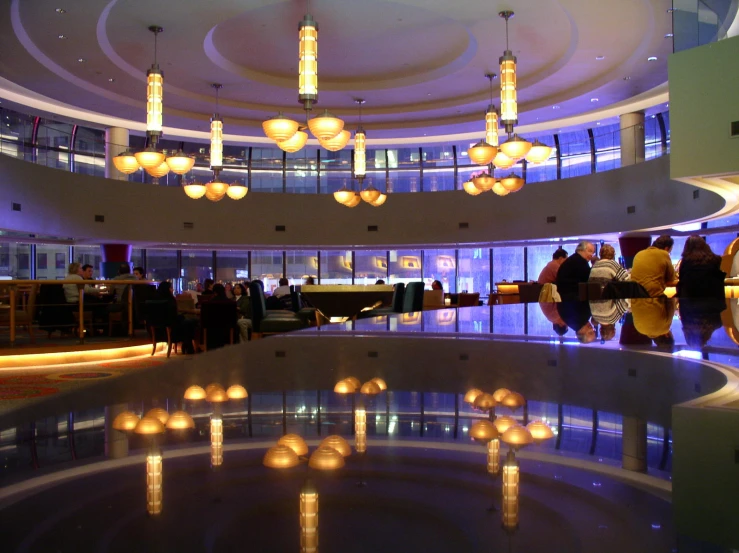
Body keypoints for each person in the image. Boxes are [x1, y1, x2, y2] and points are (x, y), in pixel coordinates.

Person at [155, 281, 197, 354]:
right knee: (192, 322)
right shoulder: (169, 300)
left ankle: (187, 345)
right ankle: (189, 345)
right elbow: (172, 315)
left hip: (160, 328)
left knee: (187, 322)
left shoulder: (156, 299)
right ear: (167, 289)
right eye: (171, 288)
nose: (172, 290)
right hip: (171, 327)